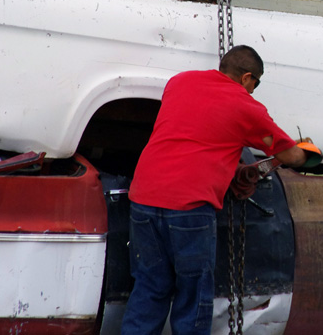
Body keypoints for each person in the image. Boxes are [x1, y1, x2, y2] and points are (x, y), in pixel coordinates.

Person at [121, 45, 309, 335]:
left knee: (149, 287)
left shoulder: (180, 82)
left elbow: (198, 133)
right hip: (189, 208)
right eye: (255, 84)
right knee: (193, 295)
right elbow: (289, 156)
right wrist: (306, 150)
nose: (254, 91)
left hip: (144, 197)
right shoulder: (246, 107)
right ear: (247, 77)